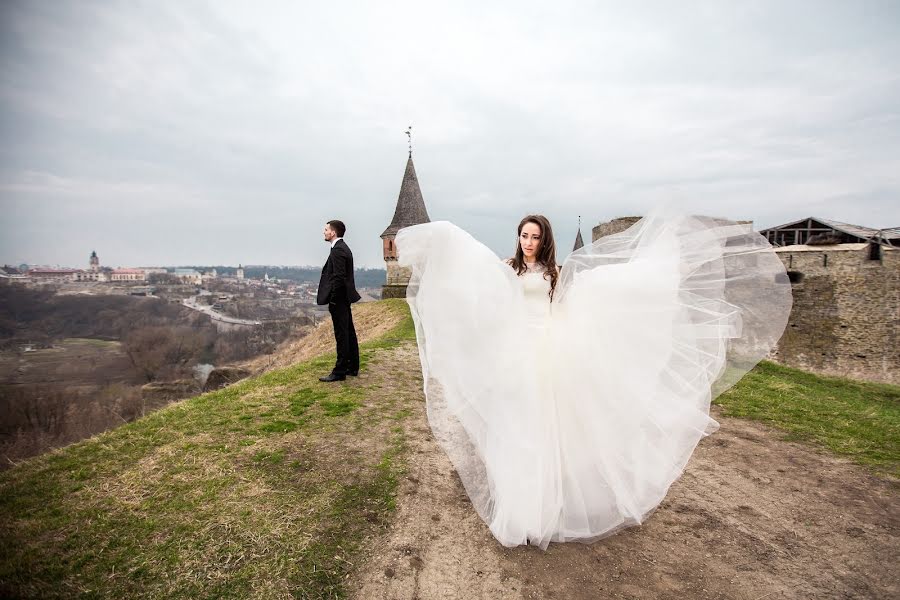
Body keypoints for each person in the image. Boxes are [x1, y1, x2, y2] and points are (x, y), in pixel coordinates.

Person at [394, 206, 792, 549]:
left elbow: (561, 308)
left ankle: (544, 508)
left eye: (534, 236)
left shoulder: (554, 272)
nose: (527, 241)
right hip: (515, 356)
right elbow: (488, 301)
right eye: (523, 235)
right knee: (517, 428)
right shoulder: (506, 269)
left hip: (549, 353)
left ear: (544, 239)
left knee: (548, 429)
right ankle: (519, 508)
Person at [317, 219, 362, 382]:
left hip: (340, 299)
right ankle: (352, 366)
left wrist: (334, 300)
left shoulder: (337, 250)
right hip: (344, 298)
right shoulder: (343, 248)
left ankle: (339, 371)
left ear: (333, 232)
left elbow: (339, 277)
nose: (324, 231)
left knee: (342, 334)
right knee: (348, 332)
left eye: (326, 229)